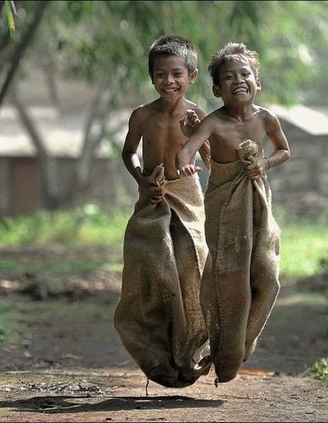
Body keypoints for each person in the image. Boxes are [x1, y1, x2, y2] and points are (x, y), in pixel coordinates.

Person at [176, 41, 291, 386]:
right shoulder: (213, 121)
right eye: (229, 77)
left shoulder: (266, 118)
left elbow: (284, 150)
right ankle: (225, 355)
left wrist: (265, 163)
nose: (238, 80)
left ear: (258, 81)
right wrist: (184, 167)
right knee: (230, 280)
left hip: (258, 206)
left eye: (245, 74)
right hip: (224, 208)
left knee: (267, 277)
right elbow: (188, 151)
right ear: (216, 88)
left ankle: (239, 344)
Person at [114, 34, 212, 389]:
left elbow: (211, 159)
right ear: (151, 77)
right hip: (153, 196)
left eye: (176, 74)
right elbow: (129, 152)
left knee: (193, 263)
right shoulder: (142, 115)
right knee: (153, 269)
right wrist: (140, 178)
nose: (168, 81)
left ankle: (191, 348)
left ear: (192, 76)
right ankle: (158, 354)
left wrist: (194, 157)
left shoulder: (198, 115)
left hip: (187, 195)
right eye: (160, 75)